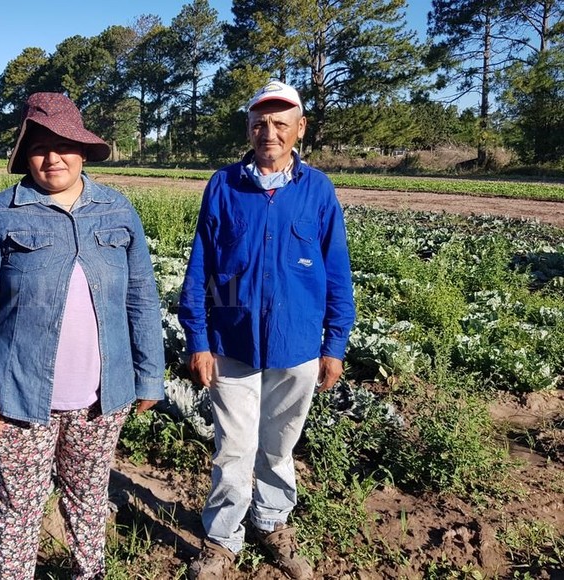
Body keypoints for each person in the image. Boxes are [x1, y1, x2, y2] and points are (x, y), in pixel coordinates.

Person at [0, 92, 165, 580]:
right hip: (20, 398)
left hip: (101, 395)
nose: (53, 158)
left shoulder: (116, 210)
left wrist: (149, 375)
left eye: (64, 145)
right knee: (19, 505)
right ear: (25, 155)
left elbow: (141, 297)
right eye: (39, 147)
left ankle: (88, 573)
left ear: (84, 150)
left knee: (89, 498)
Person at [177, 80, 356, 579]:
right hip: (232, 343)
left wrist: (334, 343)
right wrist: (198, 338)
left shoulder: (317, 189)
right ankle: (222, 539)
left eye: (281, 123)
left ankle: (272, 522)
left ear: (300, 129)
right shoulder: (224, 185)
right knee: (233, 447)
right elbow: (202, 267)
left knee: (279, 445)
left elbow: (336, 270)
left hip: (297, 344)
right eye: (260, 122)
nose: (269, 132)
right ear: (248, 128)